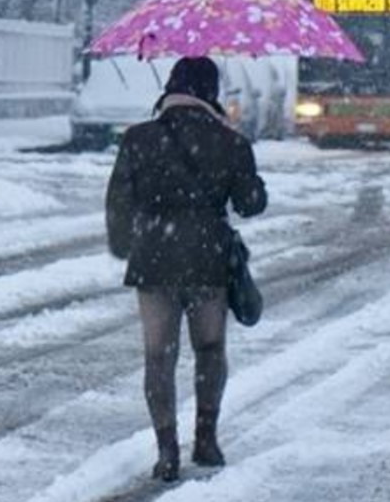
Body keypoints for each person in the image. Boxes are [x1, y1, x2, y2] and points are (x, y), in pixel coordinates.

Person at [105, 56, 268, 482]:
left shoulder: (138, 139)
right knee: (209, 350)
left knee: (159, 356)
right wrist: (245, 171)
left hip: (153, 260)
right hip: (207, 260)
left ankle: (166, 451)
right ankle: (206, 439)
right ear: (211, 92)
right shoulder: (230, 142)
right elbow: (251, 203)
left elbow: (119, 200)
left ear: (171, 87)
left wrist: (125, 245)